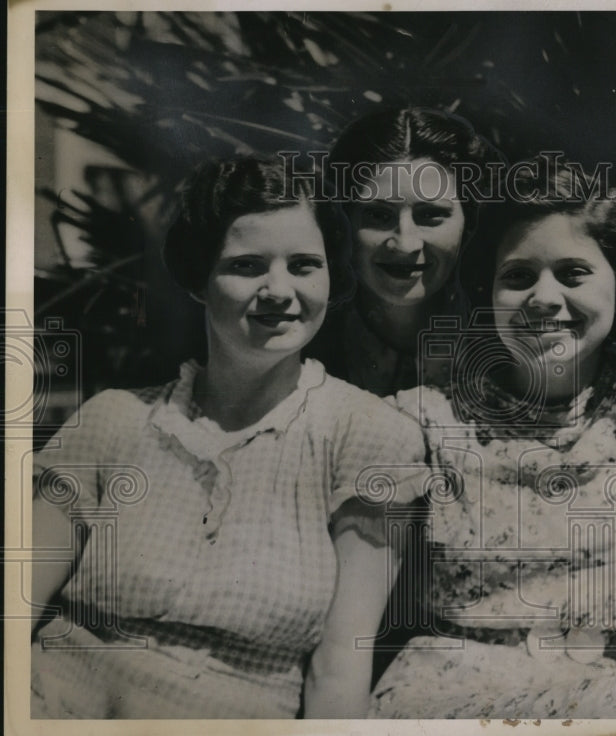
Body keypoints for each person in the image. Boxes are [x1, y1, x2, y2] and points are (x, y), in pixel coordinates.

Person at [306, 158, 616, 719]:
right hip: (443, 705)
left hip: (612, 704)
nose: (543, 298)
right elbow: (344, 647)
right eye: (518, 276)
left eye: (572, 274)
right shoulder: (420, 422)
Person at [30, 155, 427, 718]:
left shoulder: (367, 438)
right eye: (246, 265)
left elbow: (339, 668)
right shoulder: (112, 421)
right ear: (199, 278)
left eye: (304, 265)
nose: (279, 290)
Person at [307, 106, 498, 396]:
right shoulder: (302, 340)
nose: (405, 244)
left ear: (468, 223)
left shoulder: (507, 338)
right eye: (378, 216)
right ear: (345, 221)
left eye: (430, 215)